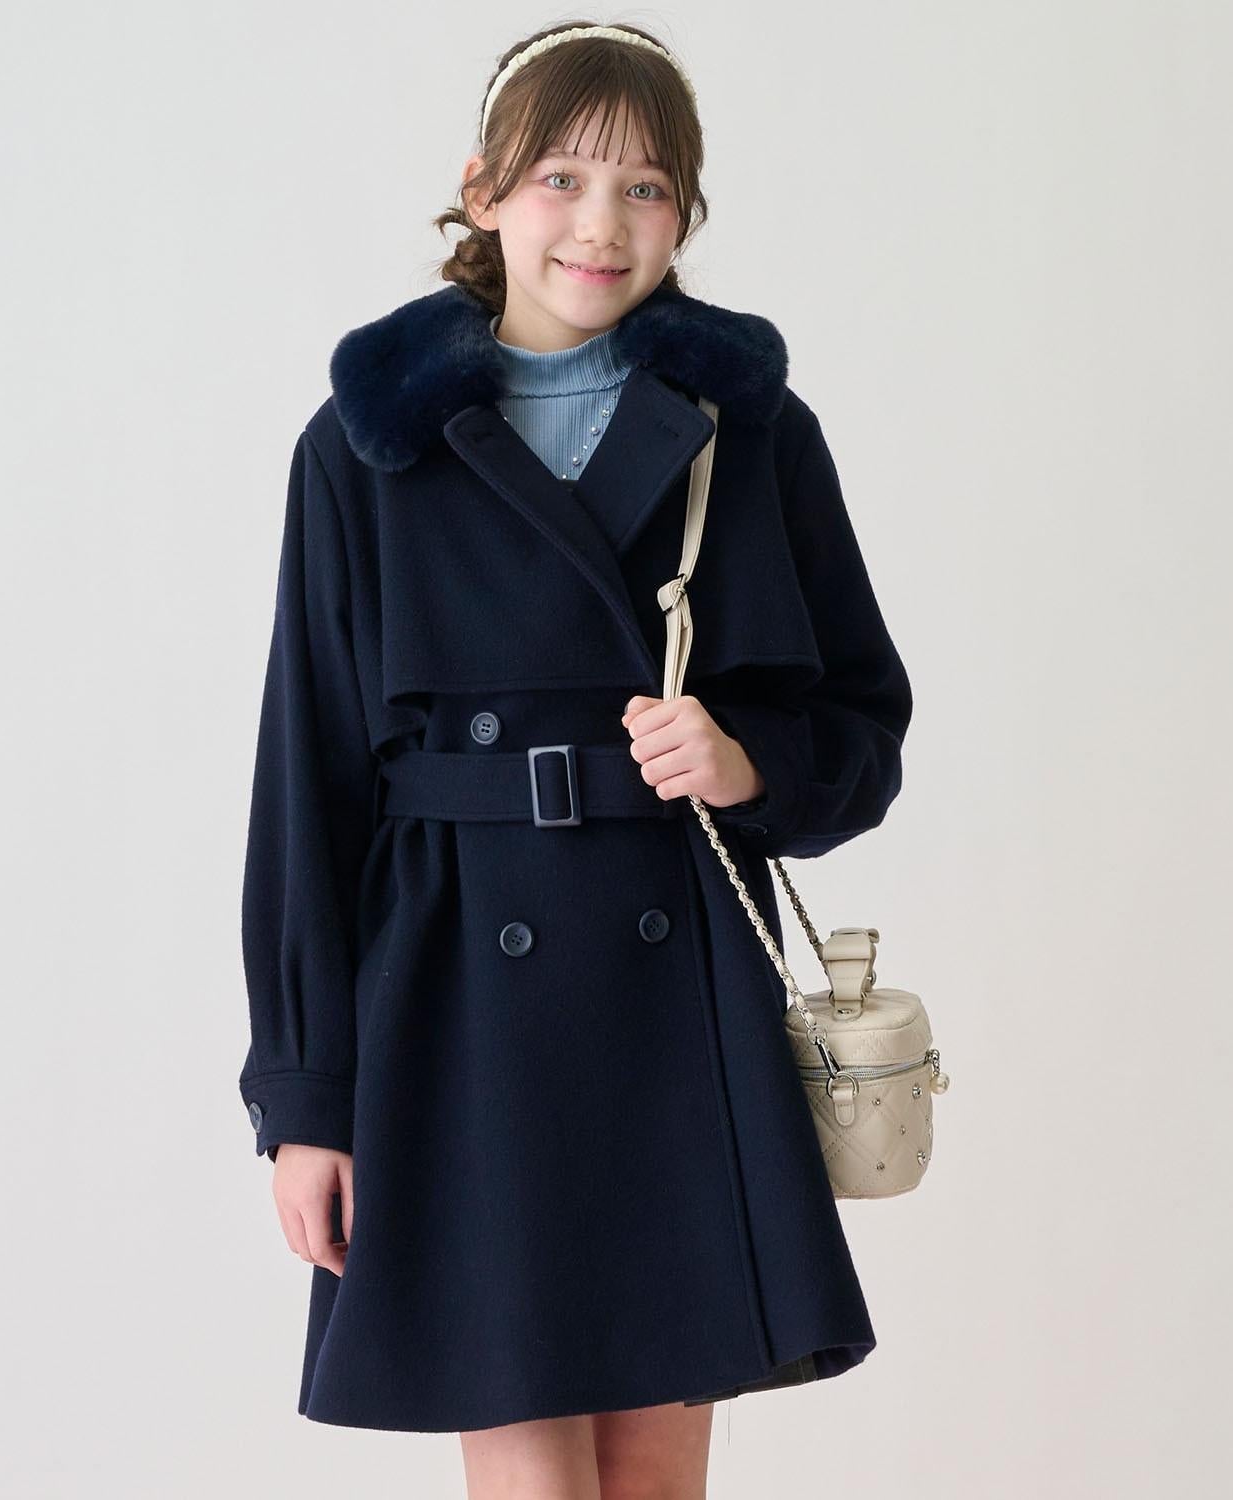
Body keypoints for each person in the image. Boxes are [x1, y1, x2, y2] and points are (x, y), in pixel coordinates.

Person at [236, 18, 914, 1497]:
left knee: (658, 1483)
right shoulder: (365, 447)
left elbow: (865, 728)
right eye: (561, 177)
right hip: (459, 1009)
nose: (601, 224)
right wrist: (304, 1103)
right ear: (483, 189)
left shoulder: (749, 432)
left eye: (646, 187)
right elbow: (308, 787)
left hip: (676, 1004)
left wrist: (743, 762)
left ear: (685, 213)